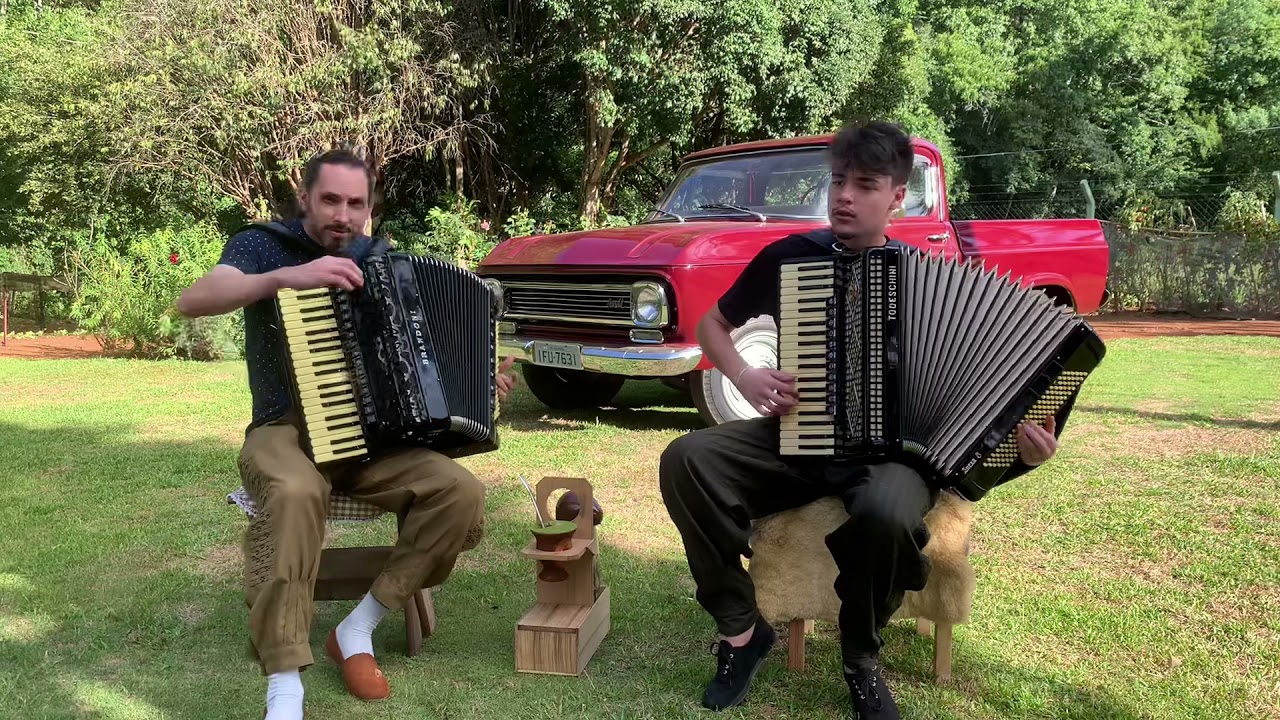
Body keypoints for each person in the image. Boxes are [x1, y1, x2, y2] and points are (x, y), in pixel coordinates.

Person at [658, 121, 1069, 719]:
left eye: (865, 185)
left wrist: (1024, 452)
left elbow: (992, 403)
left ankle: (860, 660)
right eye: (837, 181)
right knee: (687, 460)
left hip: (893, 457)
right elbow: (712, 326)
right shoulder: (790, 257)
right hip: (799, 437)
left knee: (888, 512)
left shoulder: (925, 276)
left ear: (896, 197)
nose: (845, 196)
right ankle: (742, 632)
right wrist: (745, 376)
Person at [176, 148, 518, 720]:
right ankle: (285, 681)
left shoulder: (379, 261)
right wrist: (285, 279)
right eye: (330, 200)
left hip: (368, 437)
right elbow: (193, 300)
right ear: (304, 198)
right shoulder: (262, 246)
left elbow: (418, 371)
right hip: (283, 429)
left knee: (459, 494)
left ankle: (357, 629)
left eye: (355, 203)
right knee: (295, 492)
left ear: (369, 208)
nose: (342, 215)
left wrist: (480, 386)